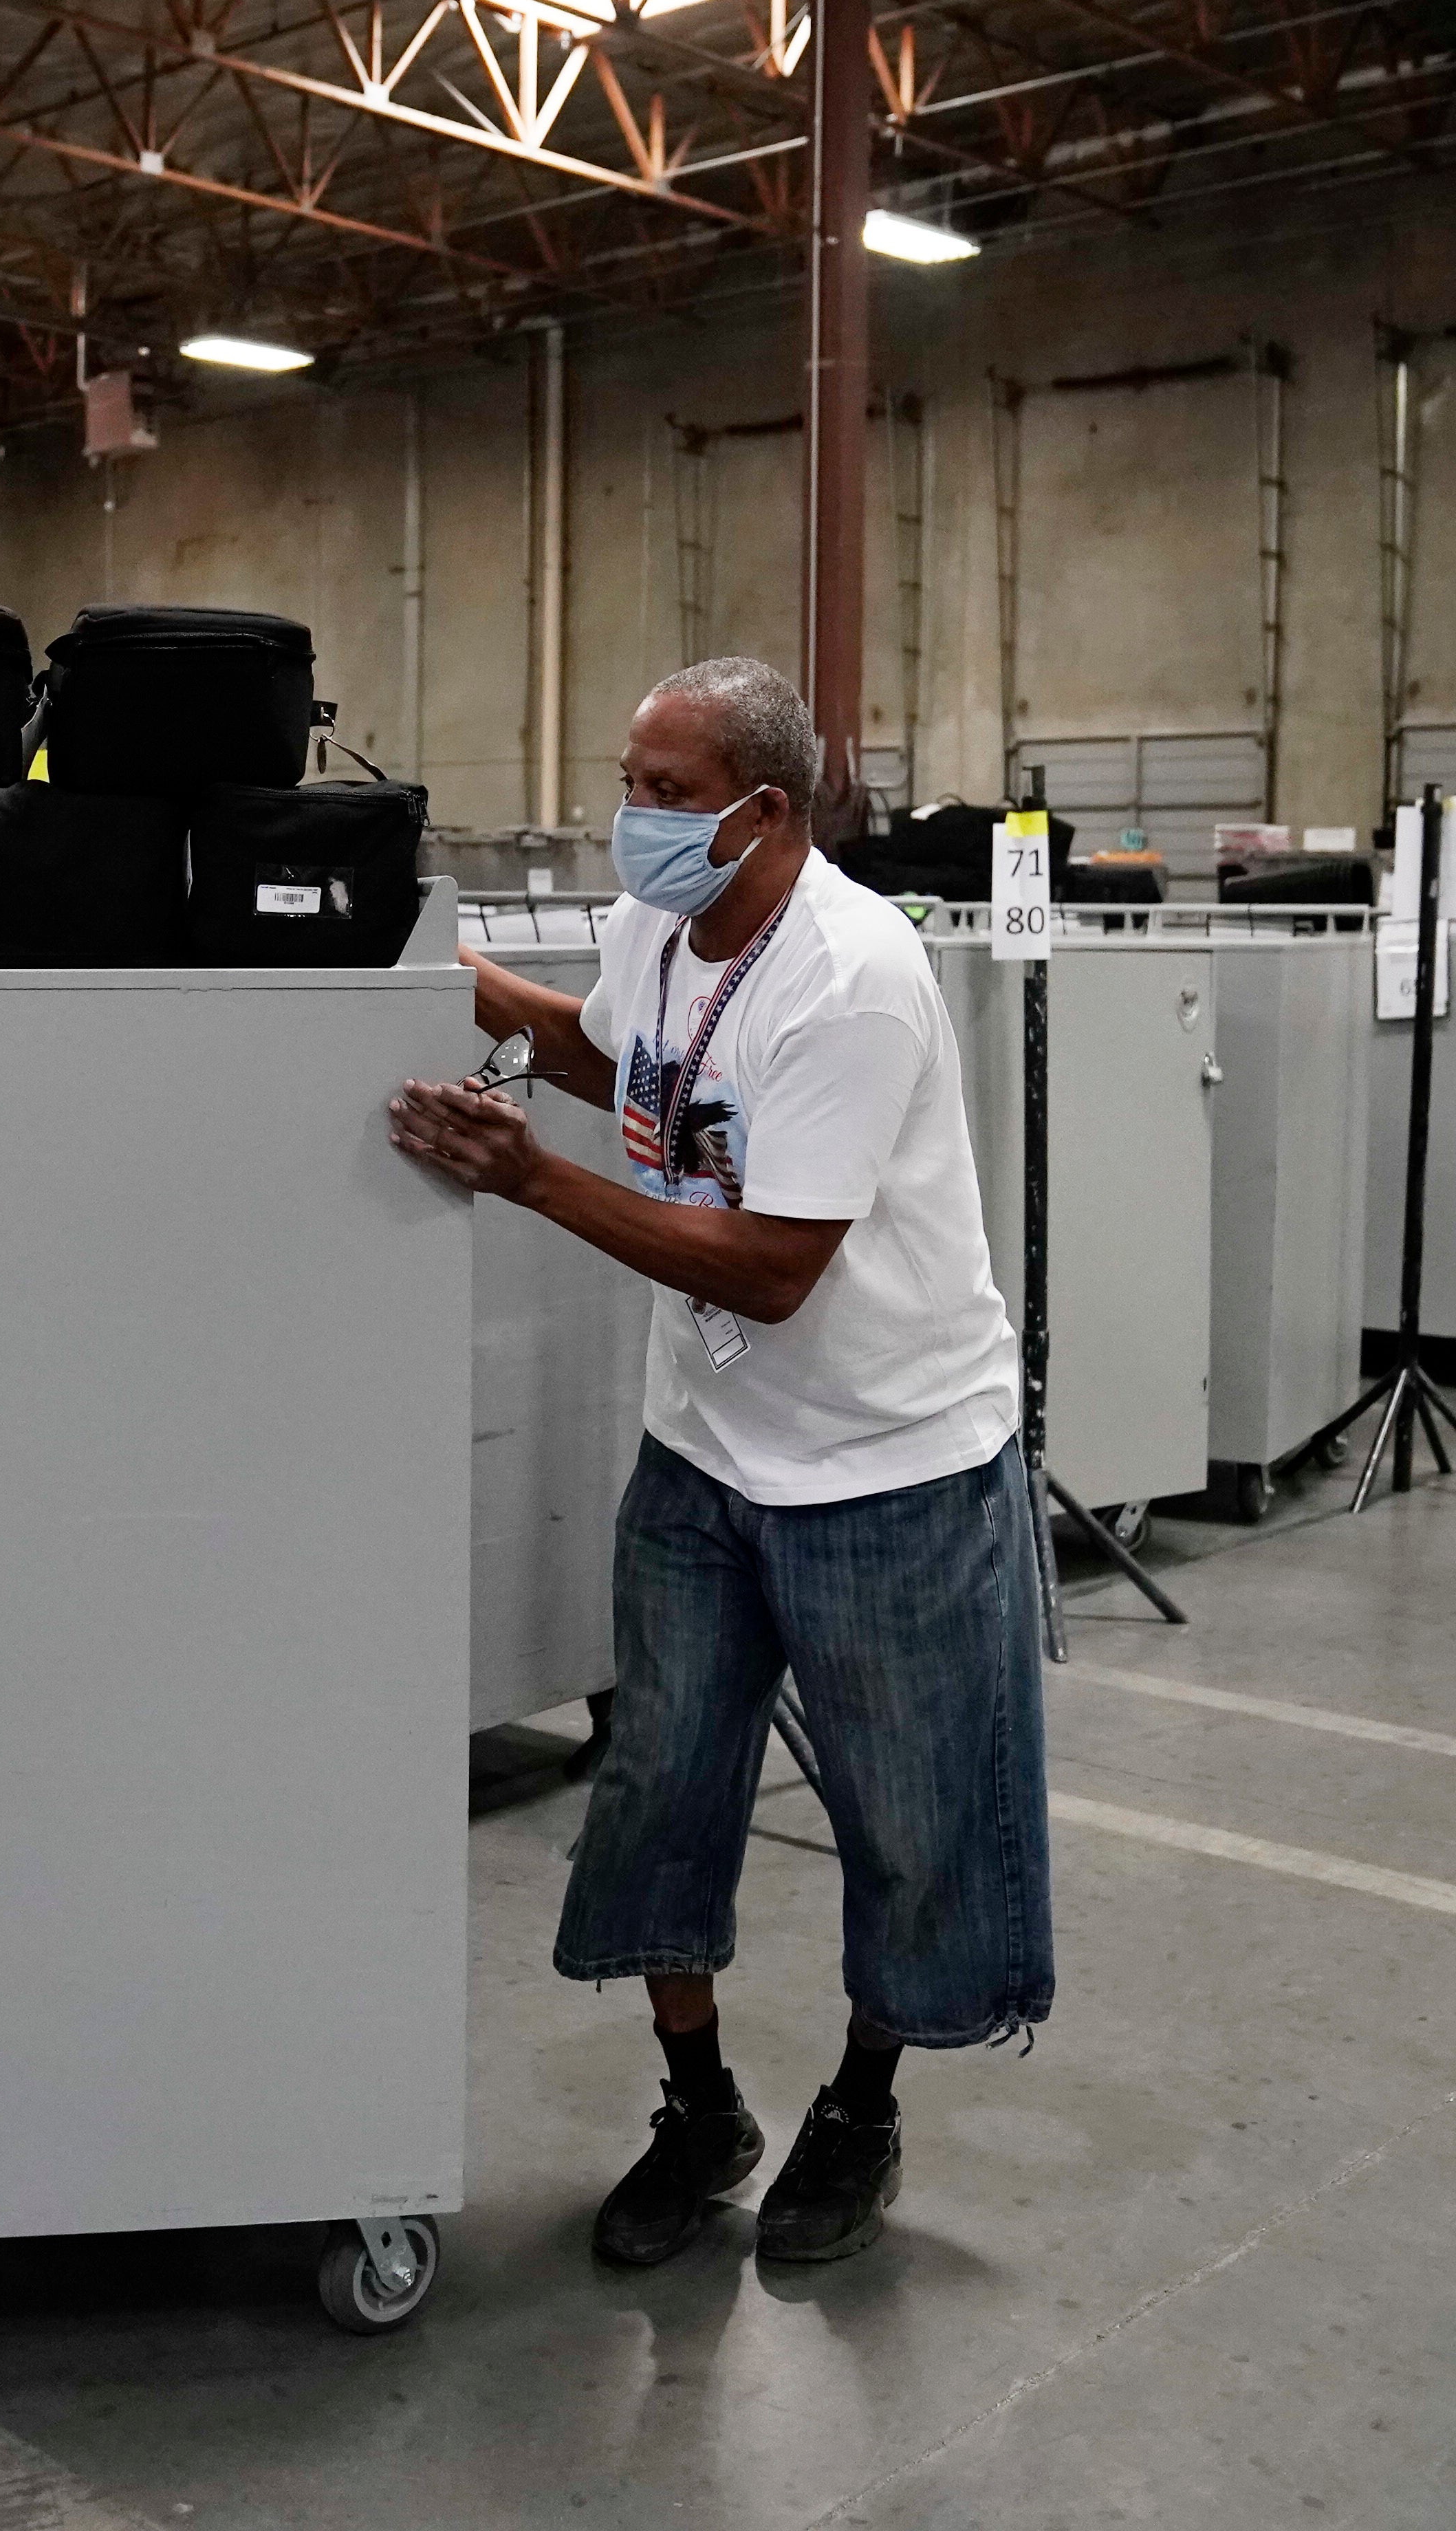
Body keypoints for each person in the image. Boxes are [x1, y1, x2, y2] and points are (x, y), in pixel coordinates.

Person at [386, 654, 1052, 2269]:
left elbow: (765, 1265)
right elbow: (646, 1075)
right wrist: (450, 973)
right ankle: (701, 2106)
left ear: (767, 812)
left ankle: (862, 2107)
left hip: (888, 1458)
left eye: (666, 792)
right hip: (704, 1450)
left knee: (907, 1813)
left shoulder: (856, 972)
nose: (632, 818)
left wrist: (525, 1181)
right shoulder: (656, 930)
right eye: (627, 780)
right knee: (662, 1788)